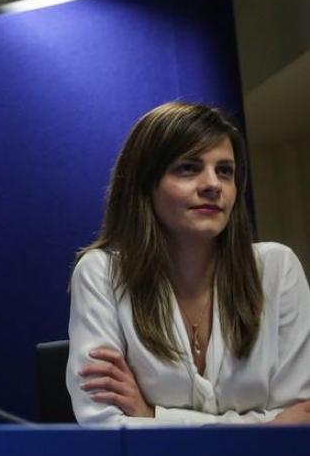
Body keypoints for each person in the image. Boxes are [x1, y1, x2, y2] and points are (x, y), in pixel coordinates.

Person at [67, 101, 310, 425]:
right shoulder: (101, 273)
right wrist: (267, 426)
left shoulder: (277, 269)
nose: (213, 185)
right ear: (145, 184)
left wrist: (153, 415)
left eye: (225, 171)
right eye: (188, 168)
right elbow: (104, 423)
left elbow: (300, 420)